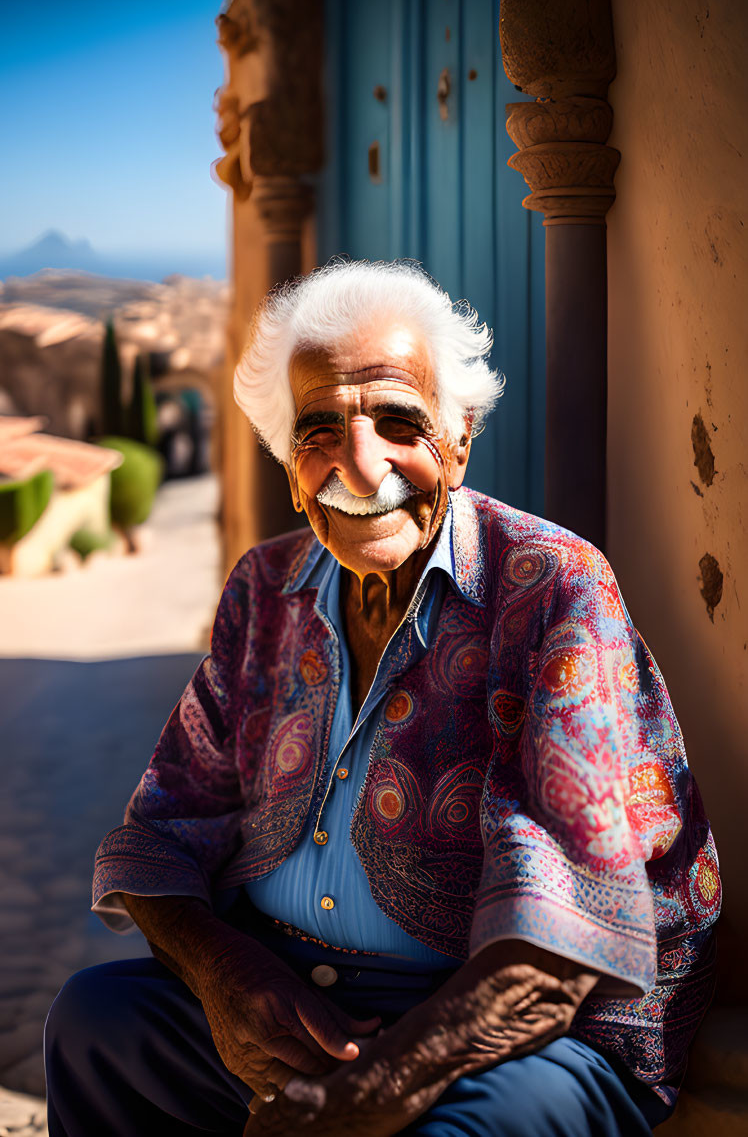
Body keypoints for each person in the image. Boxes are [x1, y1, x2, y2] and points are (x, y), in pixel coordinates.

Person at [45, 260, 720, 1136]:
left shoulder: (551, 585)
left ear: (460, 436)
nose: (360, 469)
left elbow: (561, 947)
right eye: (320, 429)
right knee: (100, 1024)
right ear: (290, 464)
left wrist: (366, 1095)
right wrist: (229, 979)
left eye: (399, 422)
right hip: (290, 992)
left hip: (507, 1023)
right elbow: (166, 827)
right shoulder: (265, 588)